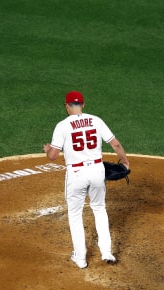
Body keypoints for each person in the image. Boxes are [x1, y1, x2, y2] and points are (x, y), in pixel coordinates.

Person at [43, 90, 130, 269]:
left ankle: (81, 258)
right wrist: (126, 161)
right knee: (99, 209)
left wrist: (47, 149)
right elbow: (115, 144)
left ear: (67, 106)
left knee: (75, 215)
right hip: (97, 170)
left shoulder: (62, 125)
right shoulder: (96, 120)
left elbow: (52, 156)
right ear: (83, 105)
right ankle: (107, 252)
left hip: (76, 174)